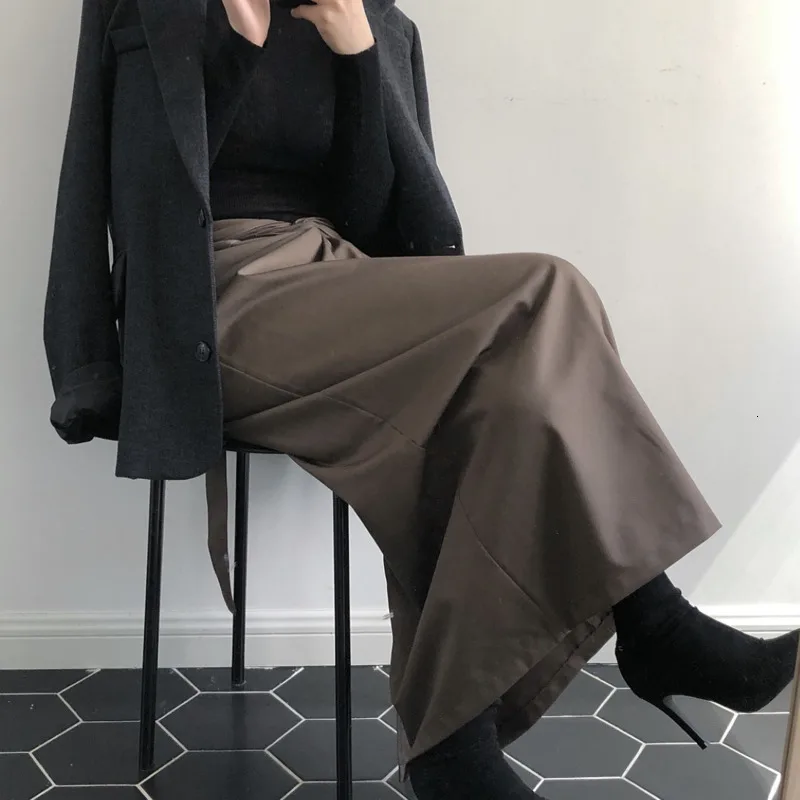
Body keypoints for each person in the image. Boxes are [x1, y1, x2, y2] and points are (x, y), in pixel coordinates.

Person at [43, 0, 798, 797]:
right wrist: (238, 48)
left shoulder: (375, 19)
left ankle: (455, 751)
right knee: (549, 290)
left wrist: (360, 60)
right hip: (212, 299)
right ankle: (649, 624)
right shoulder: (149, 8)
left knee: (501, 401)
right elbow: (100, 179)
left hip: (342, 283)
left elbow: (395, 224)